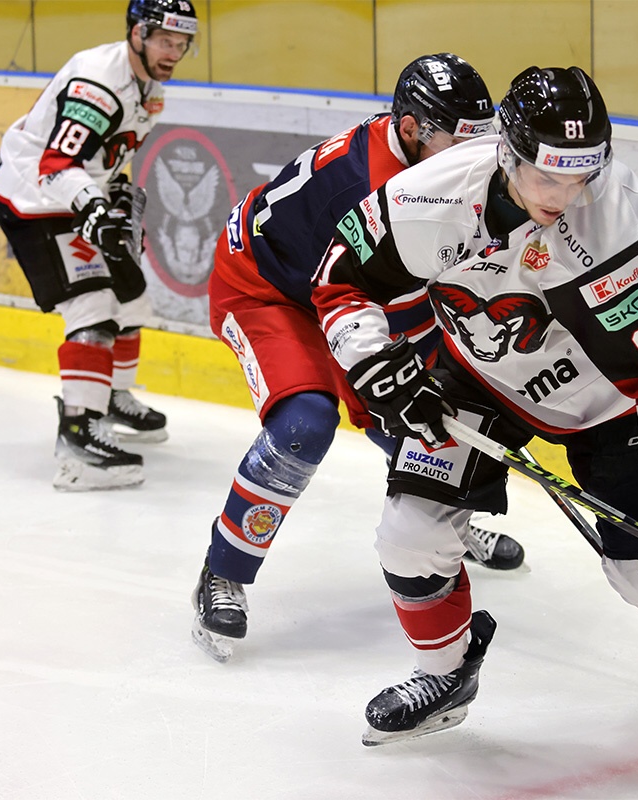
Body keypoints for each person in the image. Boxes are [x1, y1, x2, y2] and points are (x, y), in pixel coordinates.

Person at [312, 65, 638, 746]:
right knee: (409, 537)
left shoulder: (612, 218)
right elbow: (338, 279)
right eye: (549, 176)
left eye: (582, 175)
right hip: (478, 382)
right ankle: (445, 676)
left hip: (603, 402)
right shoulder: (429, 195)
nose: (566, 195)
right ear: (507, 152)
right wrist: (372, 361)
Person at [190, 54, 526, 664]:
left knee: (423, 420)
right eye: (460, 141)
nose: (476, 156)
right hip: (267, 290)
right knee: (305, 423)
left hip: (346, 293)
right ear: (411, 128)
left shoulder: (429, 159)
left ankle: (441, 527)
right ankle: (224, 570)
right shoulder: (369, 186)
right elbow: (372, 295)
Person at [0, 0, 194, 491]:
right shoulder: (99, 85)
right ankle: (78, 437)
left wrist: (112, 192)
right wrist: (95, 208)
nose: (174, 52)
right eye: (165, 41)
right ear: (138, 34)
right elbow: (56, 165)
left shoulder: (148, 85)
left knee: (131, 295)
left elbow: (100, 155)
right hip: (36, 199)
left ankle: (112, 398)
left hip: (76, 195)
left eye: (182, 43)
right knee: (94, 307)